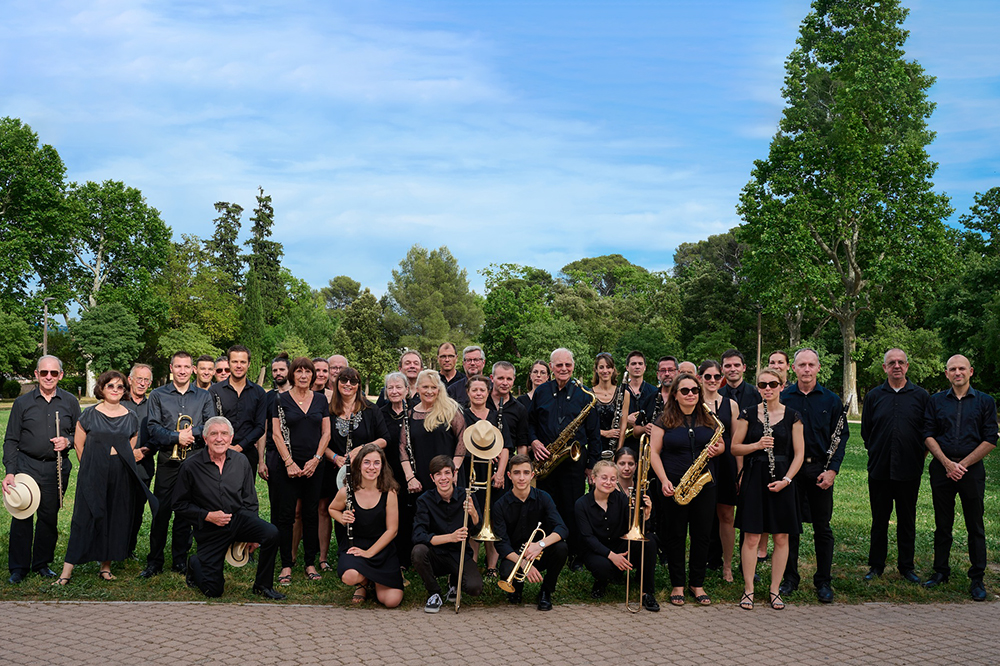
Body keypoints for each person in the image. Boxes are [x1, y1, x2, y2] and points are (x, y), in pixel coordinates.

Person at [54, 371, 157, 585]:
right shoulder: (89, 414)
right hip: (92, 470)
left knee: (113, 518)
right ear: (102, 388)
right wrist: (92, 467)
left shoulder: (130, 417)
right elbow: (79, 445)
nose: (116, 390)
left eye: (120, 387)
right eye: (111, 386)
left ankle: (105, 567)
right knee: (84, 518)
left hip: (120, 472)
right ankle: (66, 572)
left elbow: (130, 444)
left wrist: (115, 463)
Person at [172, 416, 284, 600]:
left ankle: (262, 585)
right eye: (214, 434)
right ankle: (195, 563)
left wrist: (253, 534)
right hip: (210, 529)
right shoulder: (190, 466)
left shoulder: (241, 461)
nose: (219, 438)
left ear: (231, 438)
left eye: (224, 434)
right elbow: (179, 505)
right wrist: (207, 516)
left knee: (271, 533)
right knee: (213, 591)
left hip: (237, 520)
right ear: (206, 438)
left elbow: (250, 500)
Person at [922, 354, 997, 601]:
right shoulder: (935, 401)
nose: (957, 373)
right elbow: (928, 434)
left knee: (975, 525)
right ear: (946, 374)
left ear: (970, 372)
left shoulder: (985, 402)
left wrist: (962, 465)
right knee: (942, 525)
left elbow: (991, 439)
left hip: (971, 471)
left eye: (961, 368)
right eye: (952, 369)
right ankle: (940, 571)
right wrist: (946, 463)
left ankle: (977, 578)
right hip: (942, 469)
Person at [778, 348, 848, 603]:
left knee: (822, 528)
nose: (806, 369)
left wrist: (832, 470)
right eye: (801, 365)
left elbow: (840, 438)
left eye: (811, 365)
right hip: (791, 472)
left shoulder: (831, 400)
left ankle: (823, 582)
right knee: (790, 528)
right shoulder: (783, 397)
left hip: (820, 469)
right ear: (793, 369)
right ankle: (790, 579)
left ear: (818, 368)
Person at [3, 355, 80, 583]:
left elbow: (81, 432)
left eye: (54, 373)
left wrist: (67, 441)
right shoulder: (22, 403)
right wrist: (10, 471)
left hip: (55, 468)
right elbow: (10, 440)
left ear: (61, 375)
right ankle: (18, 567)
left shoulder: (70, 401)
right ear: (36, 375)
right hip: (26, 467)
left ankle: (42, 563)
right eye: (44, 372)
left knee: (49, 518)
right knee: (22, 516)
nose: (49, 377)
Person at [648, 373, 724, 606]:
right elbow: (653, 452)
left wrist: (718, 451)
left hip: (704, 484)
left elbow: (721, 444)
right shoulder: (664, 419)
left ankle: (697, 583)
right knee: (676, 535)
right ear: (676, 395)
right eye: (685, 390)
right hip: (674, 485)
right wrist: (663, 480)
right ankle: (678, 584)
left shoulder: (710, 419)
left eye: (694, 390)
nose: (690, 394)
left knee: (702, 535)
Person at [731, 369, 804, 610]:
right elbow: (735, 448)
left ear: (782, 386)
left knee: (781, 537)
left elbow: (799, 454)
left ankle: (775, 590)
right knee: (751, 536)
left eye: (773, 384)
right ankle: (749, 589)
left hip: (782, 480)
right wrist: (757, 445)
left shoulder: (793, 416)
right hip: (755, 477)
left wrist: (787, 480)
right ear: (759, 388)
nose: (768, 388)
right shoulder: (748, 414)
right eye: (763, 384)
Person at [140, 351, 216, 578]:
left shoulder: (203, 396)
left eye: (186, 366)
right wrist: (176, 438)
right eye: (178, 366)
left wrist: (189, 433)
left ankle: (180, 560)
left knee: (185, 514)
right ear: (171, 368)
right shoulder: (158, 395)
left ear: (193, 369)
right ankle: (154, 561)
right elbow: (152, 428)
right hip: (167, 462)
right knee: (161, 512)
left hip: (195, 461)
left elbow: (209, 425)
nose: (182, 370)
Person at [860, 348, 929, 584]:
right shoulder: (873, 396)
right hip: (879, 468)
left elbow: (927, 432)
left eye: (901, 362)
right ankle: (876, 566)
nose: (896, 366)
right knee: (879, 520)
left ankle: (906, 567)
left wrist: (917, 455)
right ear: (884, 368)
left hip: (909, 469)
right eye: (891, 363)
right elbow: (867, 432)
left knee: (907, 520)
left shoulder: (921, 396)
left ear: (907, 366)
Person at [528, 348, 602, 567]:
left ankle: (575, 553)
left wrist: (591, 466)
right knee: (546, 507)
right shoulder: (541, 391)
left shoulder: (585, 394)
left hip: (573, 461)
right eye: (559, 365)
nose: (563, 369)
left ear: (573, 366)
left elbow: (594, 434)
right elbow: (530, 422)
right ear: (551, 367)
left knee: (573, 507)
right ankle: (547, 551)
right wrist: (534, 441)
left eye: (567, 365)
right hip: (545, 459)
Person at [320, 367, 389, 573]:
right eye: (343, 380)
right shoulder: (328, 410)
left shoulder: (370, 409)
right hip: (334, 469)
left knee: (360, 509)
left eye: (353, 381)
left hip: (364, 471)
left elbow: (385, 438)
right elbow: (321, 439)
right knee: (336, 509)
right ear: (336, 383)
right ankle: (341, 552)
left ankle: (363, 549)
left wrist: (361, 450)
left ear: (359, 385)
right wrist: (334, 457)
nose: (348, 384)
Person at [270, 356, 330, 586]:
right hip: (288, 467)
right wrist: (288, 462)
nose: (303, 376)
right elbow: (276, 433)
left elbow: (326, 433)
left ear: (313, 375)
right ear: (292, 375)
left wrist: (316, 460)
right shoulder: (280, 400)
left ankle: (310, 563)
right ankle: (286, 564)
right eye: (299, 371)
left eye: (308, 372)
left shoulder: (321, 400)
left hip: (314, 466)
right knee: (287, 516)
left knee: (311, 514)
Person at [575, 460, 658, 611]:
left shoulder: (622, 499)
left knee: (650, 541)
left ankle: (647, 593)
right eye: (604, 478)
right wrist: (612, 556)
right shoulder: (582, 504)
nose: (608, 482)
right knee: (603, 567)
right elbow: (588, 538)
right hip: (596, 550)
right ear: (593, 478)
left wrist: (646, 515)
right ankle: (603, 580)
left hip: (619, 544)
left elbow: (638, 531)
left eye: (613, 479)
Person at [329, 443, 404, 607]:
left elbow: (392, 530)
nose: (372, 467)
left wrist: (369, 553)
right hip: (355, 547)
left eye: (376, 463)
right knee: (349, 576)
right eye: (367, 462)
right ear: (359, 465)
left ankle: (375, 580)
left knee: (392, 601)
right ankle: (362, 583)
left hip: (381, 548)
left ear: (382, 466)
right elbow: (332, 509)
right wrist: (342, 518)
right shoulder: (347, 491)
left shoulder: (389, 492)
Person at [492, 454, 569, 610]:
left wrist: (539, 544)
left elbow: (562, 528)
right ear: (509, 476)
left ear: (532, 475)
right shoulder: (500, 505)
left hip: (540, 553)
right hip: (515, 556)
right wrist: (524, 563)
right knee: (506, 571)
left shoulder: (544, 498)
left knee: (561, 548)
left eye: (526, 473)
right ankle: (517, 589)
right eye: (517, 473)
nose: (521, 478)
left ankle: (546, 591)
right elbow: (502, 545)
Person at [411, 455, 482, 613]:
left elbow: (478, 531)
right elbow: (418, 536)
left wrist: (474, 514)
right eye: (438, 474)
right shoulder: (424, 501)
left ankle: (454, 584)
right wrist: (450, 537)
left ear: (454, 474)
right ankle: (435, 593)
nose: (443, 478)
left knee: (474, 588)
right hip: (436, 556)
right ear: (432, 478)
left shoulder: (467, 495)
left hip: (460, 554)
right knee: (418, 552)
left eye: (447, 473)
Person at [462, 374, 510, 577]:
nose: (479, 393)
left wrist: (500, 474)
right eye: (474, 390)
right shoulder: (462, 415)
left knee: (493, 518)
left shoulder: (497, 416)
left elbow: (506, 447)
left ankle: (492, 568)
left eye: (482, 390)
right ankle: (472, 567)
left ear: (488, 392)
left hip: (493, 475)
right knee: (473, 519)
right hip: (471, 472)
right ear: (468, 393)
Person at [700, 360, 741, 583]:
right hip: (702, 465)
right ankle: (702, 563)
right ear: (701, 379)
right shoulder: (692, 401)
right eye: (708, 377)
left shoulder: (731, 405)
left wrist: (740, 472)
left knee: (726, 516)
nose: (713, 381)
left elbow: (736, 443)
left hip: (725, 465)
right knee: (703, 518)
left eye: (717, 377)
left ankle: (727, 566)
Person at [399, 369, 467, 495]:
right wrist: (410, 477)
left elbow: (462, 440)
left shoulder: (451, 411)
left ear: (439, 389)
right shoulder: (410, 415)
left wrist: (453, 471)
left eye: (433, 387)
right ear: (417, 389)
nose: (429, 391)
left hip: (448, 476)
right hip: (420, 479)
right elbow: (402, 448)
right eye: (425, 387)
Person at [379, 371, 417, 570]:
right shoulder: (380, 412)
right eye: (390, 388)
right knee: (392, 514)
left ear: (407, 390)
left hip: (411, 472)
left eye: (398, 387)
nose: (394, 391)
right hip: (387, 471)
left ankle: (409, 556)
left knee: (410, 514)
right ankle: (393, 557)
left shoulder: (414, 412)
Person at [209, 345, 267, 469]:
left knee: (246, 488)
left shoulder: (259, 392)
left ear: (249, 364)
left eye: (243, 362)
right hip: (218, 451)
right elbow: (210, 422)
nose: (239, 366)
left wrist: (239, 447)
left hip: (248, 454)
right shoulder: (214, 391)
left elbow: (260, 427)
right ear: (229, 364)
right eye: (235, 362)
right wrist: (224, 446)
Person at [123, 363, 154, 557]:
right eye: (139, 379)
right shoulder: (118, 402)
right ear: (130, 379)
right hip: (119, 465)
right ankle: (112, 548)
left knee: (137, 510)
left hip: (144, 464)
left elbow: (159, 433)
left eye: (146, 380)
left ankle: (129, 549)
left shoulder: (153, 405)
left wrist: (146, 450)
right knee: (116, 509)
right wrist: (128, 453)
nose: (142, 383)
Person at [489, 361, 529, 457]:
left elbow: (522, 445)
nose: (505, 383)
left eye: (509, 379)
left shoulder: (520, 409)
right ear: (492, 378)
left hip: (508, 462)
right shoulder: (481, 403)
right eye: (500, 378)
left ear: (514, 380)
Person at [591, 353, 628, 457]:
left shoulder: (624, 393)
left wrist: (618, 452)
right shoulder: (589, 394)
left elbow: (623, 425)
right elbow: (586, 426)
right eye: (601, 367)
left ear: (613, 370)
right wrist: (604, 433)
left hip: (614, 448)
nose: (605, 371)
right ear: (596, 370)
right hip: (595, 447)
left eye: (608, 367)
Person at [624, 351, 658, 450]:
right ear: (627, 367)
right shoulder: (619, 391)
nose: (637, 367)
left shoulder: (654, 391)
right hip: (625, 444)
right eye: (633, 364)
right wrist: (625, 419)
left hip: (649, 444)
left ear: (645, 367)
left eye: (640, 364)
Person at [720, 349, 761, 413]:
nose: (733, 369)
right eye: (728, 366)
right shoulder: (718, 395)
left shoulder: (757, 394)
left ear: (744, 367)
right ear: (722, 369)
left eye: (737, 365)